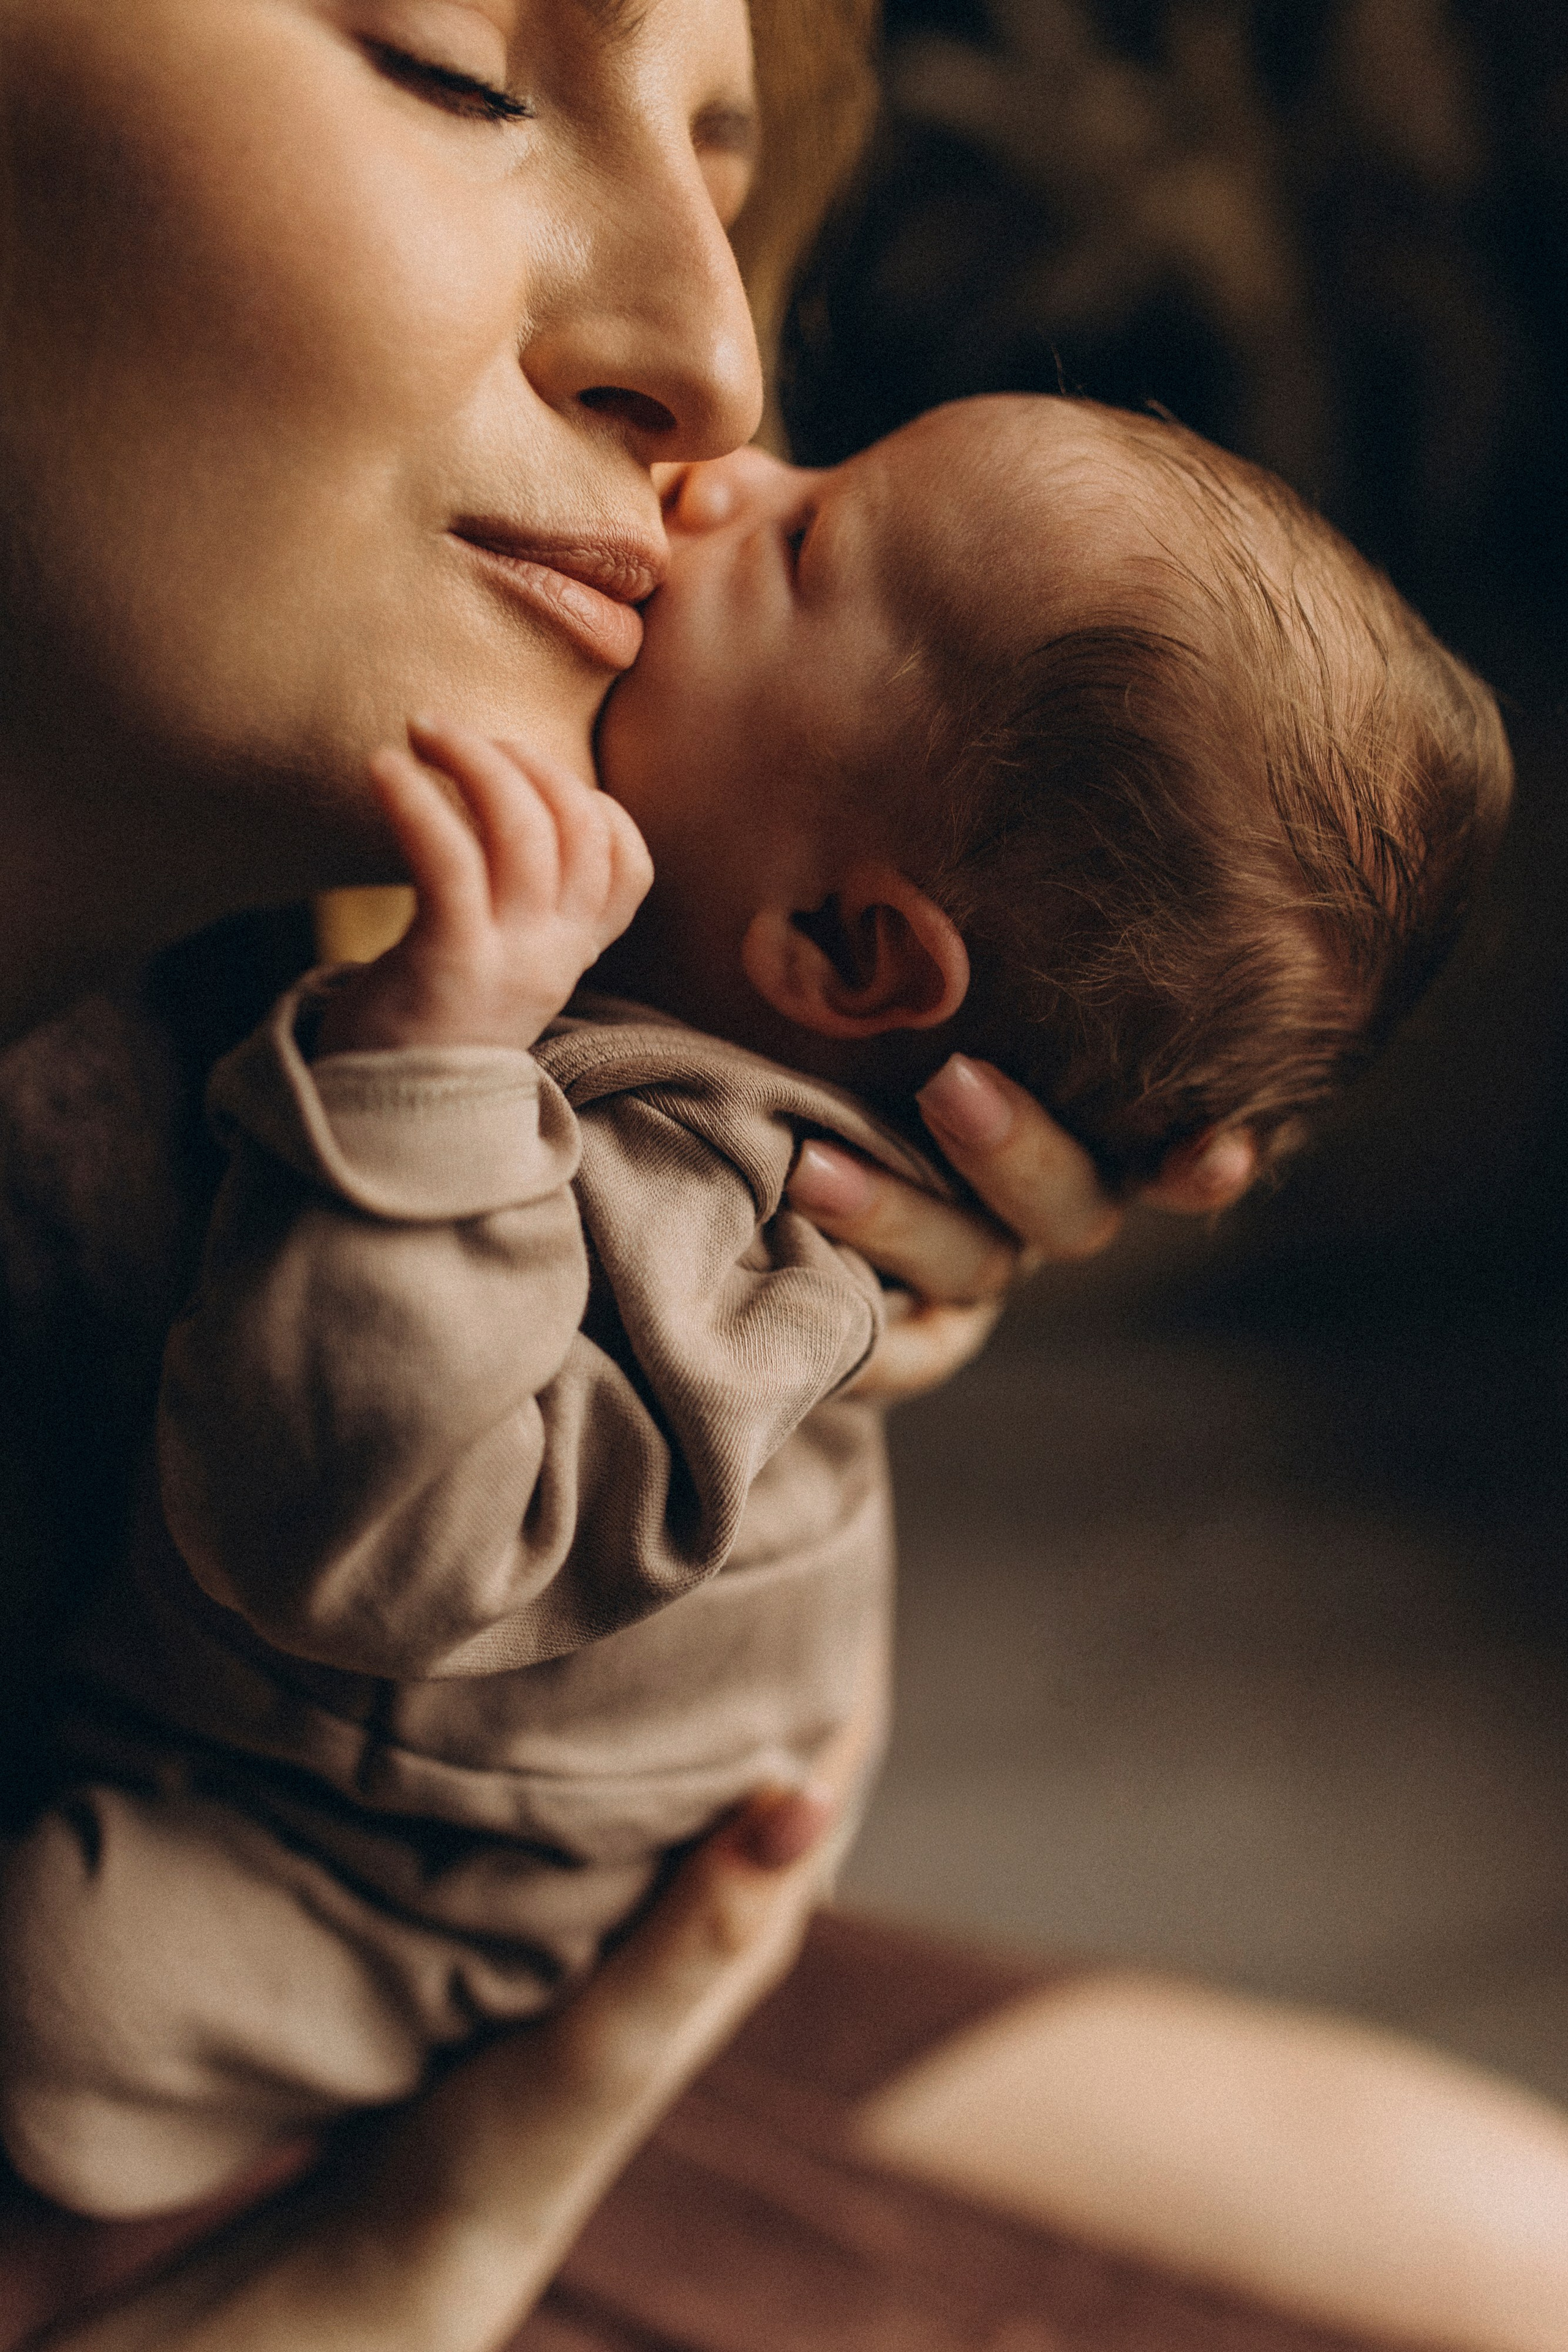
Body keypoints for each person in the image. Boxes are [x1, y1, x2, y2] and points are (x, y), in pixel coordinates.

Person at [0, 390, 1508, 2216]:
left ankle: (251, 2128)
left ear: (846, 952)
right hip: (526, 1757)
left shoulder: (707, 1211)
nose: (728, 467)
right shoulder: (701, 1020)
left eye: (798, 543)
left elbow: (363, 1530)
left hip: (410, 1859)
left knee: (65, 1997)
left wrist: (434, 1063)